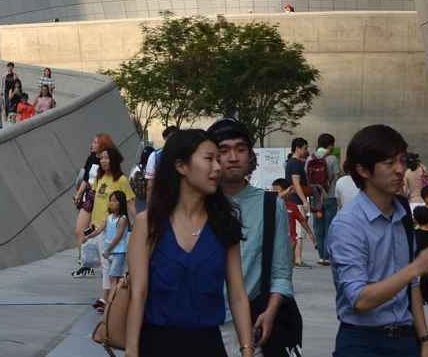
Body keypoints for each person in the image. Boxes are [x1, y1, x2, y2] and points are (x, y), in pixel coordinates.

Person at [124, 129, 254, 356]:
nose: (217, 167)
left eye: (218, 160)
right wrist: (132, 350)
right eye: (209, 158)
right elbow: (138, 293)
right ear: (181, 166)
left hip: (208, 345)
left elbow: (238, 295)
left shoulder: (224, 225)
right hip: (157, 345)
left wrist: (247, 349)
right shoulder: (149, 224)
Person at [327, 123, 428, 357]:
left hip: (406, 338)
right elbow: (359, 300)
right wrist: (416, 267)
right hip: (362, 342)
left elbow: (411, 287)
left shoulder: (401, 212)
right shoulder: (348, 224)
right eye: (389, 163)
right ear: (363, 170)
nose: (400, 170)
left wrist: (424, 339)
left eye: (402, 160)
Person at [208, 118, 294, 356]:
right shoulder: (197, 204)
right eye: (223, 150)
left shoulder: (270, 205)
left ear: (250, 156)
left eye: (240, 149)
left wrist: (271, 311)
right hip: (201, 327)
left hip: (251, 324)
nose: (233, 157)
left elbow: (281, 272)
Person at [74, 134, 116, 277]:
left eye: (96, 142)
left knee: (99, 231)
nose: (93, 144)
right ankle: (85, 264)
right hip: (89, 195)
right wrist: (79, 194)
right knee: (80, 230)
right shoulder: (91, 157)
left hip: (101, 197)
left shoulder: (107, 160)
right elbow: (86, 178)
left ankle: (103, 263)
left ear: (102, 145)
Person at [97, 190, 131, 312]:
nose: (111, 203)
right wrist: (87, 236)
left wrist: (108, 250)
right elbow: (99, 230)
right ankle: (112, 304)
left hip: (118, 253)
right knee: (113, 278)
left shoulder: (123, 219)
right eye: (110, 200)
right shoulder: (109, 218)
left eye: (115, 201)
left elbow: (118, 237)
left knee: (113, 279)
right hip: (110, 253)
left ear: (121, 203)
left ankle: (110, 304)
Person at [312, 133, 341, 266]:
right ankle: (327, 256)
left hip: (316, 197)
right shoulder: (333, 159)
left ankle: (320, 256)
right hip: (330, 196)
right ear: (330, 145)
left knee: (318, 227)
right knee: (329, 226)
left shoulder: (310, 158)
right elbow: (337, 175)